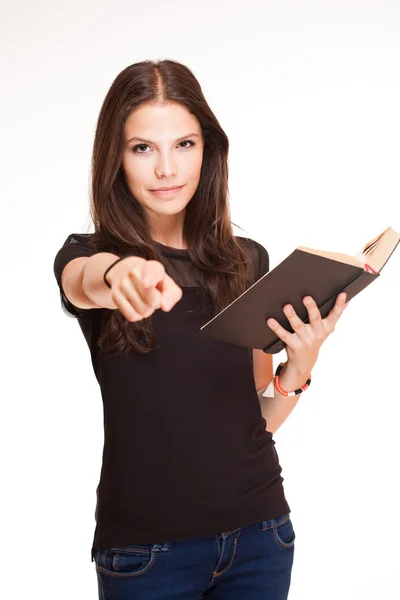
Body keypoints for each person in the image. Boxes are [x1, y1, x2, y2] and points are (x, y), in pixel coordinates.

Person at [53, 59, 348, 600]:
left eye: (184, 144)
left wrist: (298, 370)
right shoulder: (89, 256)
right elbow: (82, 282)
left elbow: (251, 422)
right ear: (115, 159)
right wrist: (122, 272)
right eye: (143, 148)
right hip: (146, 556)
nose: (167, 167)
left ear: (208, 149)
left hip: (260, 539)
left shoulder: (246, 262)